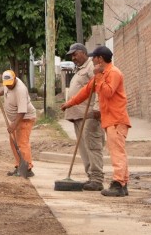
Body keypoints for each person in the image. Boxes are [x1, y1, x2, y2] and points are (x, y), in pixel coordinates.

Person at [62, 45, 130, 197]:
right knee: (118, 152)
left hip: (117, 119)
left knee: (117, 153)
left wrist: (98, 76)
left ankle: (119, 183)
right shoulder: (103, 74)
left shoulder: (113, 72)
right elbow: (85, 91)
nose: (93, 60)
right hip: (110, 120)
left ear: (100, 59)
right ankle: (122, 184)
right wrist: (69, 103)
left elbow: (108, 92)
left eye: (94, 58)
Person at [64, 43, 105, 191]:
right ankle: (91, 177)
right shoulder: (81, 69)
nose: (73, 58)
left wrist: (97, 108)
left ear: (83, 53)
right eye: (72, 56)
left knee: (92, 147)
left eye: (75, 54)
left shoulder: (90, 68)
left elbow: (99, 88)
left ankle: (97, 178)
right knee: (84, 148)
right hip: (78, 116)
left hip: (89, 116)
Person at [0, 69, 37, 177]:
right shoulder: (8, 82)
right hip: (16, 119)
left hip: (25, 118)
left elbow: (22, 111)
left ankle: (27, 169)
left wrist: (13, 125)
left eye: (10, 84)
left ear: (15, 79)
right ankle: (19, 166)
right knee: (13, 142)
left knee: (22, 143)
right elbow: (5, 88)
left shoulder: (20, 90)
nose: (8, 86)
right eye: (6, 85)